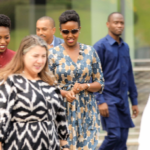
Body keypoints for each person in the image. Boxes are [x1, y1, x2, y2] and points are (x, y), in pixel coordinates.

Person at [0, 35, 69, 150]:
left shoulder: (50, 80)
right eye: (35, 56)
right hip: (20, 144)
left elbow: (60, 116)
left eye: (43, 56)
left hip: (51, 145)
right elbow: (1, 118)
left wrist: (65, 145)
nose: (40, 61)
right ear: (22, 55)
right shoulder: (10, 81)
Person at [48, 10, 104, 150]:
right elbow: (45, 86)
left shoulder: (90, 51)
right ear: (60, 31)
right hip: (62, 111)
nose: (70, 35)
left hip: (87, 112)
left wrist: (85, 85)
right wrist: (64, 93)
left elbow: (100, 83)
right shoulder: (52, 54)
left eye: (74, 31)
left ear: (79, 29)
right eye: (66, 32)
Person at [93, 12, 139, 150]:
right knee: (115, 136)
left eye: (122, 23)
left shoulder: (125, 47)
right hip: (108, 99)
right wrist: (100, 101)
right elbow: (93, 75)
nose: (119, 25)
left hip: (123, 100)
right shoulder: (99, 47)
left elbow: (129, 74)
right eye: (116, 22)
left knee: (122, 140)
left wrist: (134, 101)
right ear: (108, 24)